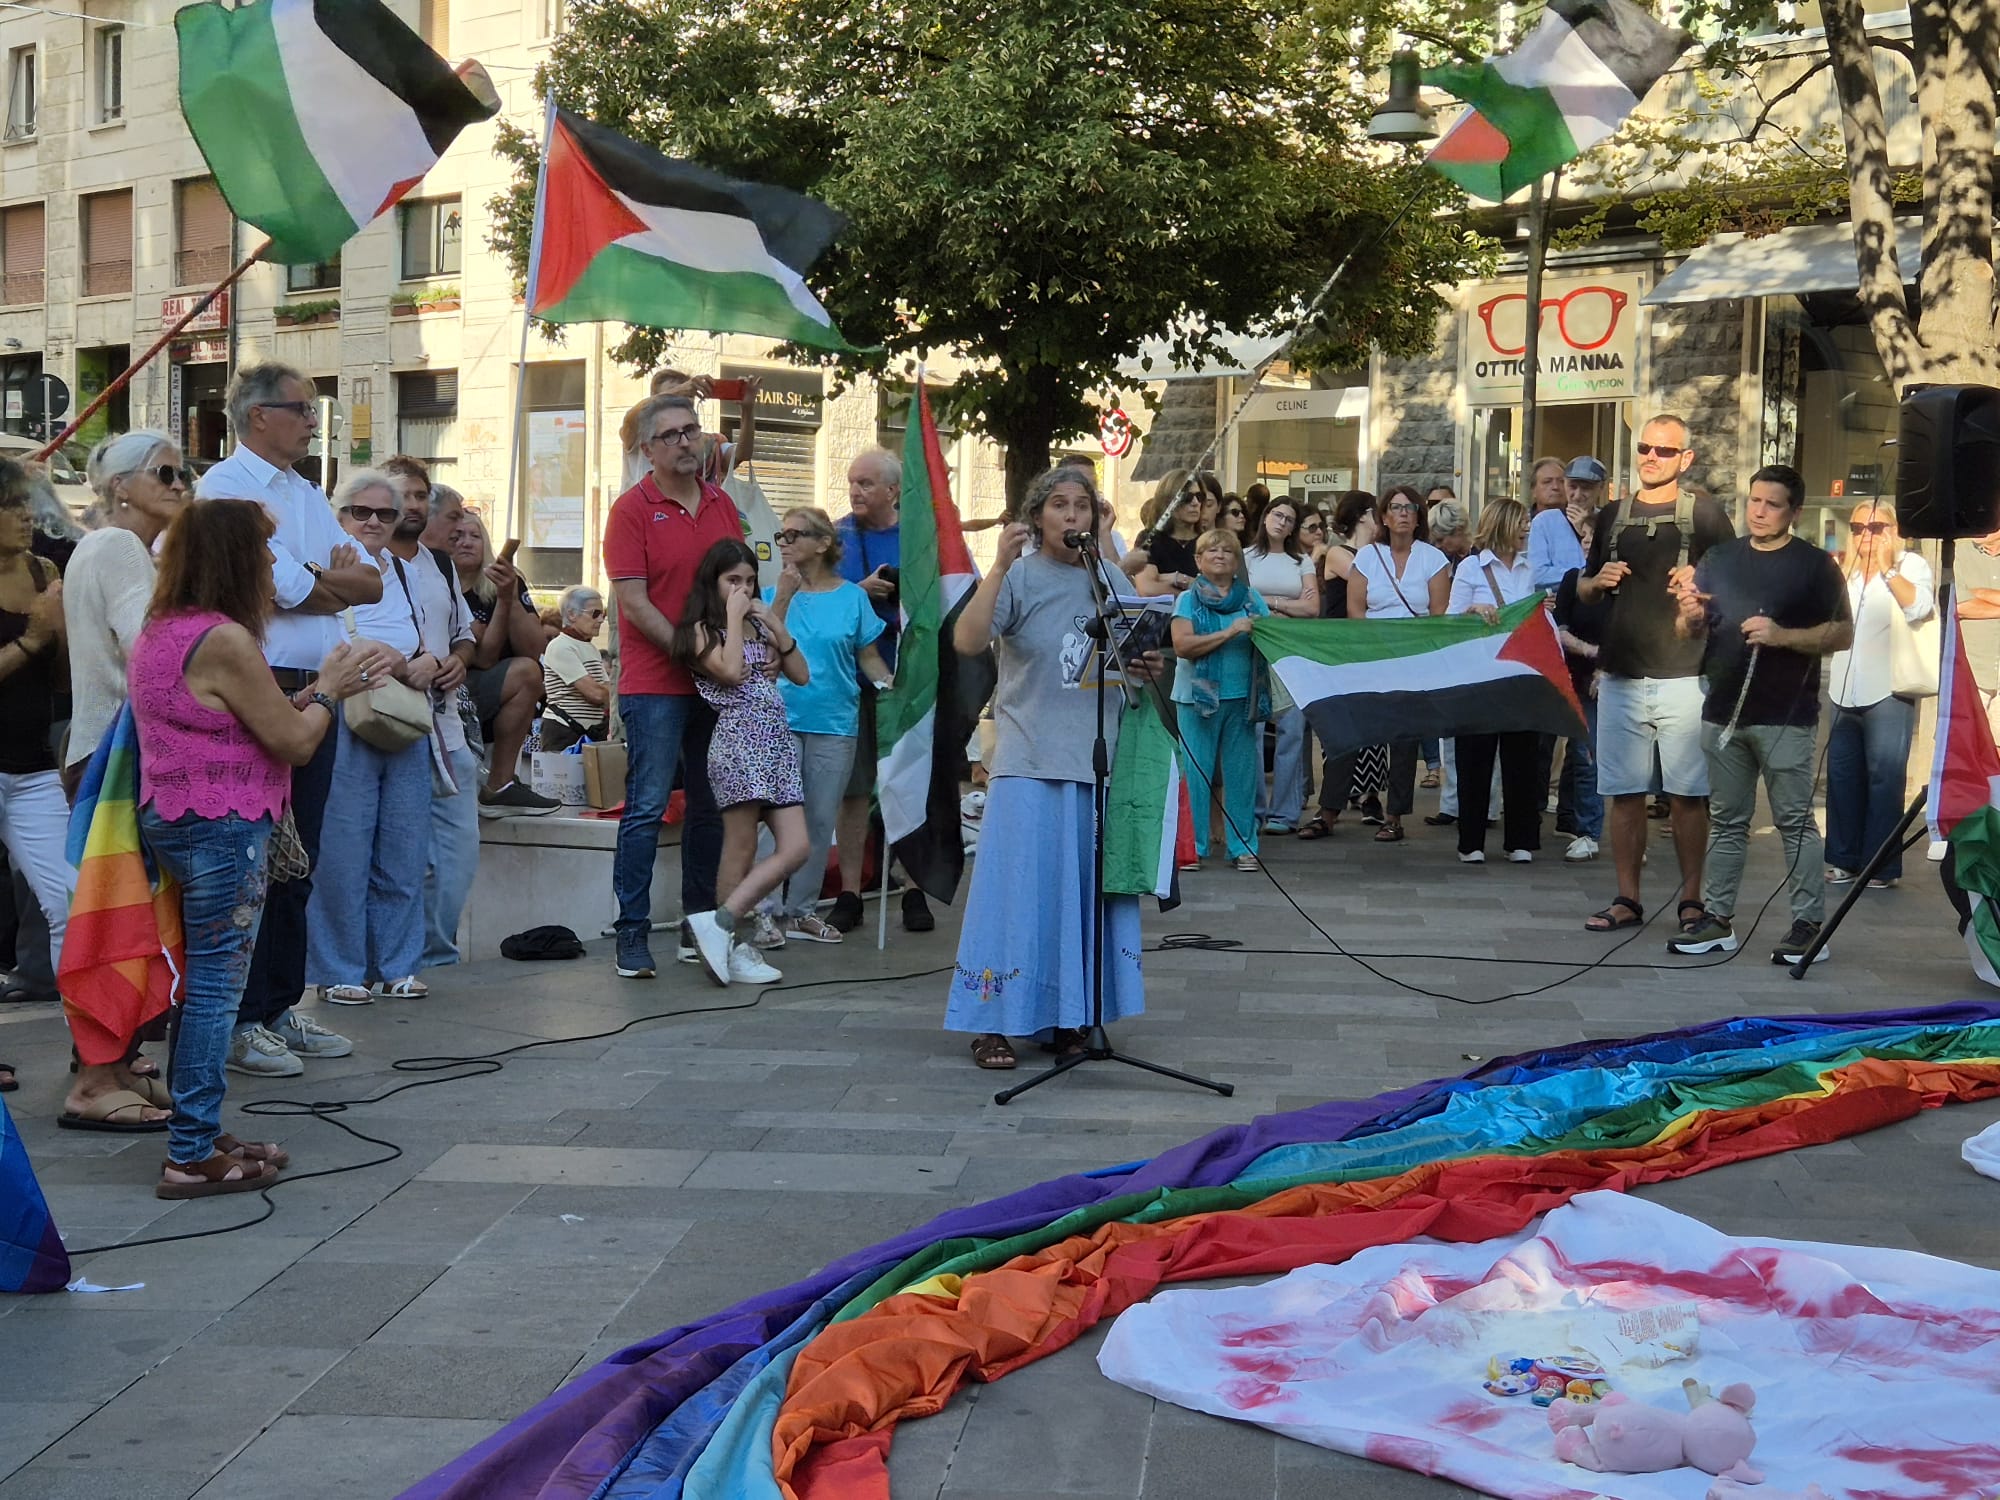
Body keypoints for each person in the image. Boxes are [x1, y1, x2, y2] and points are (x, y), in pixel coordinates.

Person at [130, 499, 371, 1195]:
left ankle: (200, 1130)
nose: (273, 567)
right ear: (235, 560)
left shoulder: (163, 628)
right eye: (265, 555)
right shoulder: (225, 639)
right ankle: (190, 1153)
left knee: (203, 985)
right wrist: (330, 690)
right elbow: (294, 743)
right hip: (222, 826)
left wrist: (310, 697)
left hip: (180, 817)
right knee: (216, 991)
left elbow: (233, 726)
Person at [195, 360, 384, 1077]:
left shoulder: (303, 491)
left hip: (318, 680)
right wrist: (328, 582)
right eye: (302, 409)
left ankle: (276, 1006)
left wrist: (323, 581)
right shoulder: (227, 488)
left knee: (298, 853)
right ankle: (241, 1019)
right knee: (253, 853)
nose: (313, 420)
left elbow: (368, 581)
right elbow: (284, 588)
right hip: (261, 680)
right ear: (258, 416)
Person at [946, 464, 1153, 1070]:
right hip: (1029, 759)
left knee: (1077, 900)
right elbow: (967, 640)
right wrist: (999, 566)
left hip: (1095, 762)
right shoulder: (1020, 575)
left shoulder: (1110, 578)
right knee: (1015, 895)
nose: (1071, 515)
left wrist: (1148, 666)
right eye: (1059, 505)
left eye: (1081, 506)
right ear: (1037, 516)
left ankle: (1068, 1016)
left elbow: (1131, 664)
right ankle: (991, 1022)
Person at [56, 432, 191, 1128]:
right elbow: (153, 653)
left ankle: (114, 1067)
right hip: (116, 761)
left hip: (104, 753)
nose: (181, 484)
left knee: (125, 919)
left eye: (184, 472)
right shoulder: (118, 547)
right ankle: (95, 1082)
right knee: (124, 926)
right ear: (119, 488)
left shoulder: (110, 548)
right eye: (165, 473)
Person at [1666, 465, 1850, 962]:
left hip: (1785, 714)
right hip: (1723, 712)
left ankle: (1809, 926)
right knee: (1727, 822)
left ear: (1794, 512)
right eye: (1754, 500)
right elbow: (1688, 629)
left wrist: (1782, 635)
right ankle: (1717, 919)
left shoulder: (1814, 565)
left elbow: (1842, 633)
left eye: (1772, 504)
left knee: (1795, 822)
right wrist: (1689, 615)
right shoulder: (1720, 558)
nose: (1760, 511)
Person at [1573, 415, 1733, 936]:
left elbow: (1734, 589)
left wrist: (1702, 581)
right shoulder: (1614, 514)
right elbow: (1584, 591)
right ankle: (1627, 898)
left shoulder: (1705, 515)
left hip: (1685, 673)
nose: (1651, 457)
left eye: (1664, 451)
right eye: (1645, 447)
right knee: (1623, 793)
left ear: (1685, 459)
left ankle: (1692, 901)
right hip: (1622, 671)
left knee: (1687, 795)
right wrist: (1597, 581)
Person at [603, 393, 741, 978]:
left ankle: (698, 926)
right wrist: (694, 653)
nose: (686, 442)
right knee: (647, 807)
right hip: (656, 681)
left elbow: (739, 584)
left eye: (692, 430)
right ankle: (632, 934)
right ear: (647, 449)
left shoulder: (722, 502)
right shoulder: (631, 510)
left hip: (717, 681)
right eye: (672, 435)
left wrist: (743, 648)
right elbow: (634, 603)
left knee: (710, 807)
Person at [306, 472, 435, 1004]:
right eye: (361, 512)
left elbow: (424, 642)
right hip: (345, 710)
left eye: (386, 514)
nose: (374, 522)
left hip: (403, 713)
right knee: (343, 848)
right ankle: (339, 969)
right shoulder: (325, 566)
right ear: (339, 516)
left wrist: (421, 662)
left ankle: (396, 964)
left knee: (405, 845)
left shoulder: (405, 572)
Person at [678, 539, 810, 986]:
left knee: (797, 846)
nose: (743, 588)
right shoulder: (700, 630)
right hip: (738, 743)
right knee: (741, 846)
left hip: (776, 744)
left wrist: (774, 625)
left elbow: (801, 674)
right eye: (732, 580)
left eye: (750, 581)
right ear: (712, 582)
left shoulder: (757, 625)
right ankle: (729, 942)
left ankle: (718, 923)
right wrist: (734, 618)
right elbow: (731, 671)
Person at [762, 506, 890, 945]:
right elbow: (760, 650)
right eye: (781, 536)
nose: (785, 543)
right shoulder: (771, 593)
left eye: (794, 535)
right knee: (773, 820)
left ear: (823, 543)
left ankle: (800, 912)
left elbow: (867, 657)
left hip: (835, 722)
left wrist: (891, 687)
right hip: (778, 720)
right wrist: (783, 596)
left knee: (819, 821)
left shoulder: (853, 597)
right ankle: (764, 913)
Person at [379, 456, 481, 969]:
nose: (413, 505)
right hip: (388, 726)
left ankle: (435, 955)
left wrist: (459, 660)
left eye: (421, 495)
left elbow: (465, 635)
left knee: (459, 853)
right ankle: (395, 959)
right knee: (397, 856)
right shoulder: (361, 560)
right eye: (403, 495)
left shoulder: (439, 564)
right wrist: (406, 666)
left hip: (447, 729)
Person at [830, 447, 931, 932]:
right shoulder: (834, 537)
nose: (855, 491)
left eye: (866, 483)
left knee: (906, 783)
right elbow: (812, 598)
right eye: (852, 481)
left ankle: (913, 887)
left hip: (907, 677)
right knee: (853, 789)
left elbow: (947, 597)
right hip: (848, 682)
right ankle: (850, 891)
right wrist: (858, 592)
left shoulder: (919, 538)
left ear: (893, 491)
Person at [0, 460, 70, 1099]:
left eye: (28, 503)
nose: (28, 516)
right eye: (13, 505)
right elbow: (32, 647)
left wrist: (66, 631)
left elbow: (63, 676)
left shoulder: (44, 572)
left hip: (30, 766)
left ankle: (97, 1053)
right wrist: (33, 635)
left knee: (70, 899)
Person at [1823, 498, 1933, 890]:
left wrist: (1887, 569)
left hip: (1888, 689)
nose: (1865, 536)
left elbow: (1919, 608)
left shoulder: (1911, 565)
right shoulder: (1844, 570)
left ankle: (1880, 866)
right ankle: (1843, 859)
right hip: (1843, 688)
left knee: (1884, 780)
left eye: (1875, 527)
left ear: (1894, 530)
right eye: (1857, 528)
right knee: (1842, 776)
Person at [1348, 485, 1450, 843]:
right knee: (1355, 729)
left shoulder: (1433, 559)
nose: (1403, 513)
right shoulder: (1367, 557)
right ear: (1384, 517)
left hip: (1414, 659)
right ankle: (1331, 808)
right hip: (1373, 655)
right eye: (1396, 507)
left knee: (1405, 739)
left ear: (1419, 516)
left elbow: (1438, 615)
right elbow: (1356, 611)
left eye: (1410, 508)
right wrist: (1377, 647)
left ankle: (1395, 815)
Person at [1447, 498, 1543, 864]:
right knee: (1474, 758)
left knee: (1522, 758)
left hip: (1520, 673)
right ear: (1502, 525)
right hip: (1479, 674)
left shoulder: (1529, 568)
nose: (1527, 528)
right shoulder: (1472, 568)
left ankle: (1520, 840)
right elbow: (1450, 621)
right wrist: (1473, 610)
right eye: (1521, 522)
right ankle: (1470, 841)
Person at [448, 512, 560, 818]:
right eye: (457, 536)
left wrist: (507, 596)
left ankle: (501, 783)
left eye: (474, 536)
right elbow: (480, 654)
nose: (466, 543)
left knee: (527, 672)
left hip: (491, 693)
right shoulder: (431, 578)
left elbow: (535, 650)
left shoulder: (507, 580)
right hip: (445, 688)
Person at [1172, 527, 1271, 871]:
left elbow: (1272, 637)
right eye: (1211, 550)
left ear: (1237, 561)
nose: (1220, 555)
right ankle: (1193, 848)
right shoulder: (1188, 600)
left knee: (1242, 776)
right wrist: (1230, 632)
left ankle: (1243, 847)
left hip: (1242, 698)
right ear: (1198, 560)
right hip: (1195, 700)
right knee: (1196, 775)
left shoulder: (1251, 598)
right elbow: (1183, 646)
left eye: (1227, 551)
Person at [1298, 489, 1384, 840]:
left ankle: (1370, 794)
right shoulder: (1338, 552)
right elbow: (1372, 586)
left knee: (1373, 725)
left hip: (1370, 647)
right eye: (1378, 512)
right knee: (1342, 727)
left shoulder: (1379, 554)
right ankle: (1332, 805)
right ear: (1363, 515)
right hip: (1340, 650)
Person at [1243, 497, 1317, 834]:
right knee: (1253, 730)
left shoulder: (1301, 560)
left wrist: (1269, 604)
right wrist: (1289, 605)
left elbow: (1312, 608)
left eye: (1289, 519)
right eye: (1277, 515)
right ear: (1265, 517)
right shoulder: (1245, 556)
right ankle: (1255, 810)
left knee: (1292, 728)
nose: (1282, 522)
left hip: (1290, 650)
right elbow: (1240, 601)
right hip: (1253, 648)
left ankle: (1285, 813)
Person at [1122, 471, 1204, 596]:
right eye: (1187, 497)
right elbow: (1147, 589)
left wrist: (1173, 579)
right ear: (1169, 501)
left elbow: (1217, 590)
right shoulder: (1150, 539)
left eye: (1199, 496)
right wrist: (1190, 585)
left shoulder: (1208, 540)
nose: (1195, 502)